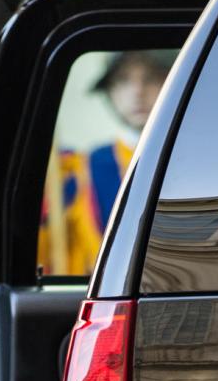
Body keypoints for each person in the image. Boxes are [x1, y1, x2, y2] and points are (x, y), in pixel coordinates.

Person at [39, 49, 172, 275]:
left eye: (150, 78)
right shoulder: (80, 170)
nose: (137, 92)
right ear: (110, 92)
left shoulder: (193, 159)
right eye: (123, 80)